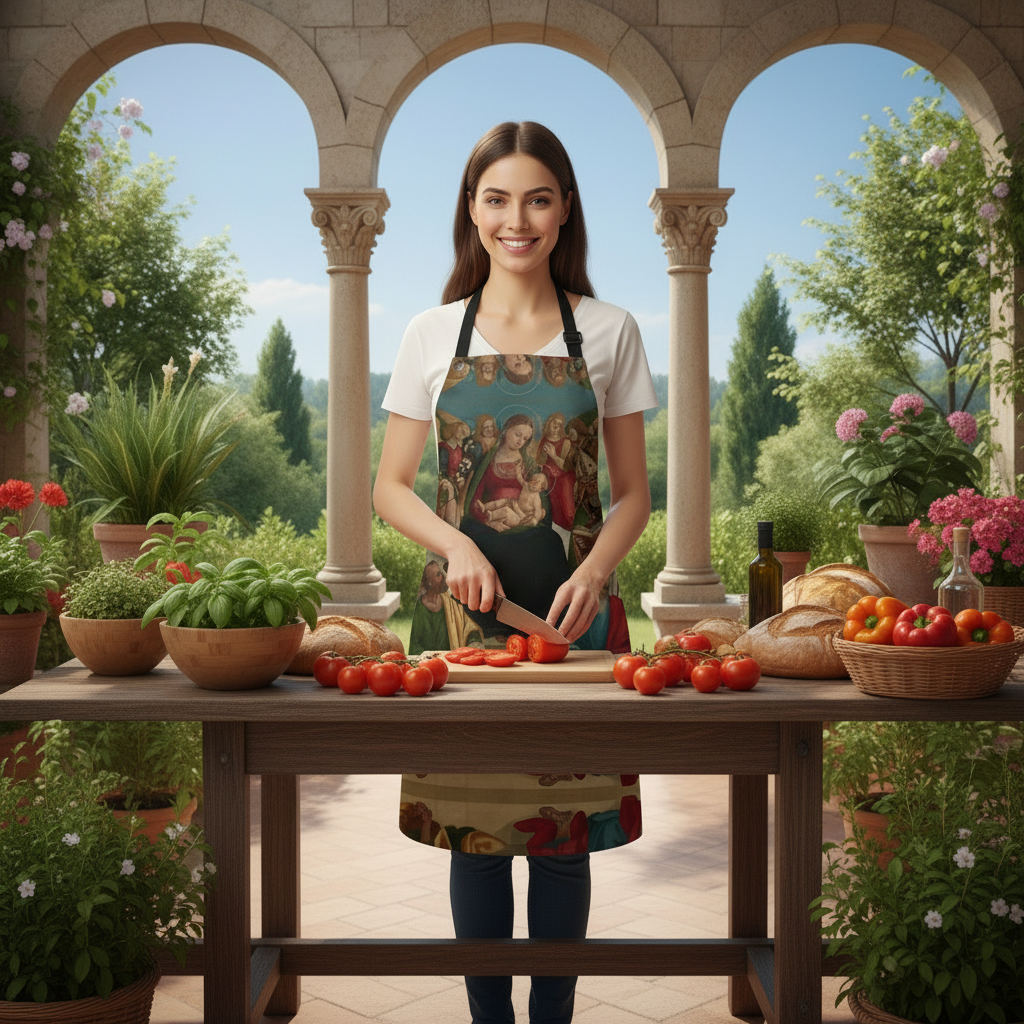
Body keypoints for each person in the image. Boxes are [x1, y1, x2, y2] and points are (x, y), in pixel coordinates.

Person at [373, 121, 656, 1024]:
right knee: (478, 837)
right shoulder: (430, 333)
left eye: (538, 198)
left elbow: (633, 496)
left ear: (565, 208)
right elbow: (389, 488)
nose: (517, 219)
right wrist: (456, 544)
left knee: (562, 839)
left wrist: (600, 573)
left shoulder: (610, 331)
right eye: (497, 199)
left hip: (571, 627)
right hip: (462, 626)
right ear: (472, 210)